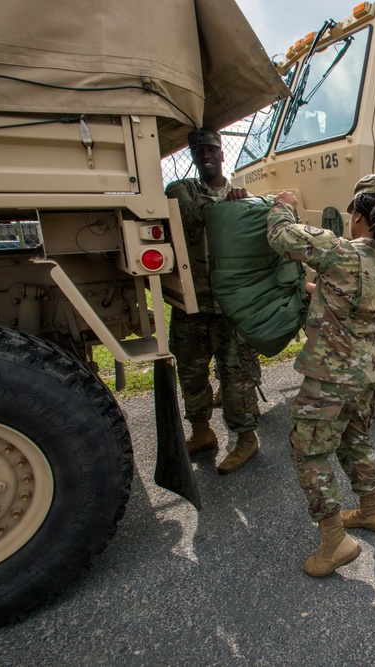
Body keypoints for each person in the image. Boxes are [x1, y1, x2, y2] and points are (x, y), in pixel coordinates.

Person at [266, 174, 375, 577]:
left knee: (308, 451)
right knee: (355, 440)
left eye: (352, 214)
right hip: (368, 372)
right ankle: (372, 510)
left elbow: (281, 236)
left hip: (331, 375)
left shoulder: (339, 252)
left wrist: (283, 203)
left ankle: (335, 542)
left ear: (361, 217)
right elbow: (359, 304)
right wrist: (320, 291)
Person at [165, 129, 261, 475]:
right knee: (192, 374)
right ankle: (202, 432)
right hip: (191, 305)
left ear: (222, 155)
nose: (204, 154)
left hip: (229, 305)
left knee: (234, 375)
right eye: (198, 149)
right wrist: (231, 206)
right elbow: (191, 214)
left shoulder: (242, 196)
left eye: (210, 149)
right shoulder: (183, 189)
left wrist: (244, 205)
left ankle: (246, 438)